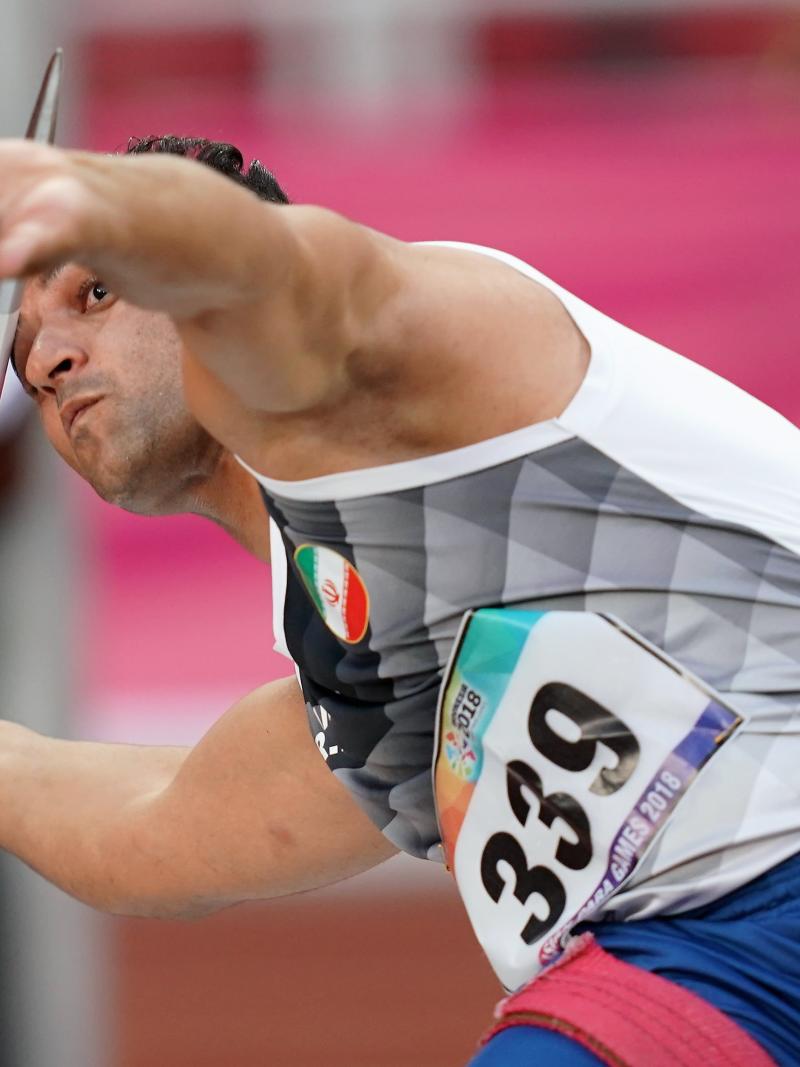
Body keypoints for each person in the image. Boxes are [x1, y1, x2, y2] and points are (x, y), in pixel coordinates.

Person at [0, 133, 798, 1066]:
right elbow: (153, 821)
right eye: (22, 354)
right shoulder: (367, 672)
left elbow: (268, 270)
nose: (50, 357)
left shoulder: (429, 344)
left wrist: (99, 201)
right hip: (699, 976)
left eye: (93, 291)